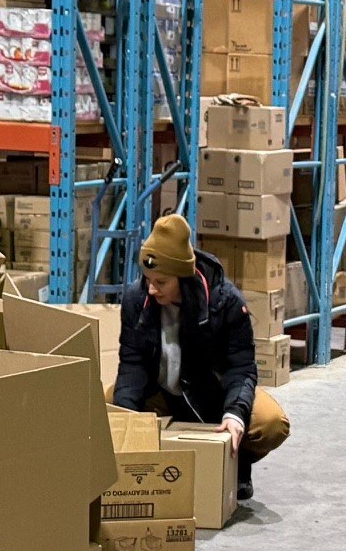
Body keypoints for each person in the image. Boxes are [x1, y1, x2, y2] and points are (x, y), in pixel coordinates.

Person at [110, 214, 290, 502]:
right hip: (161, 394)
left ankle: (234, 464)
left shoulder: (226, 303)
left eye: (161, 281)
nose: (152, 288)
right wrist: (123, 422)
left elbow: (241, 368)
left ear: (183, 277)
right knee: (109, 408)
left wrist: (235, 414)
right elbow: (132, 362)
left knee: (271, 423)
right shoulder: (137, 298)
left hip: (211, 397)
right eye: (147, 280)